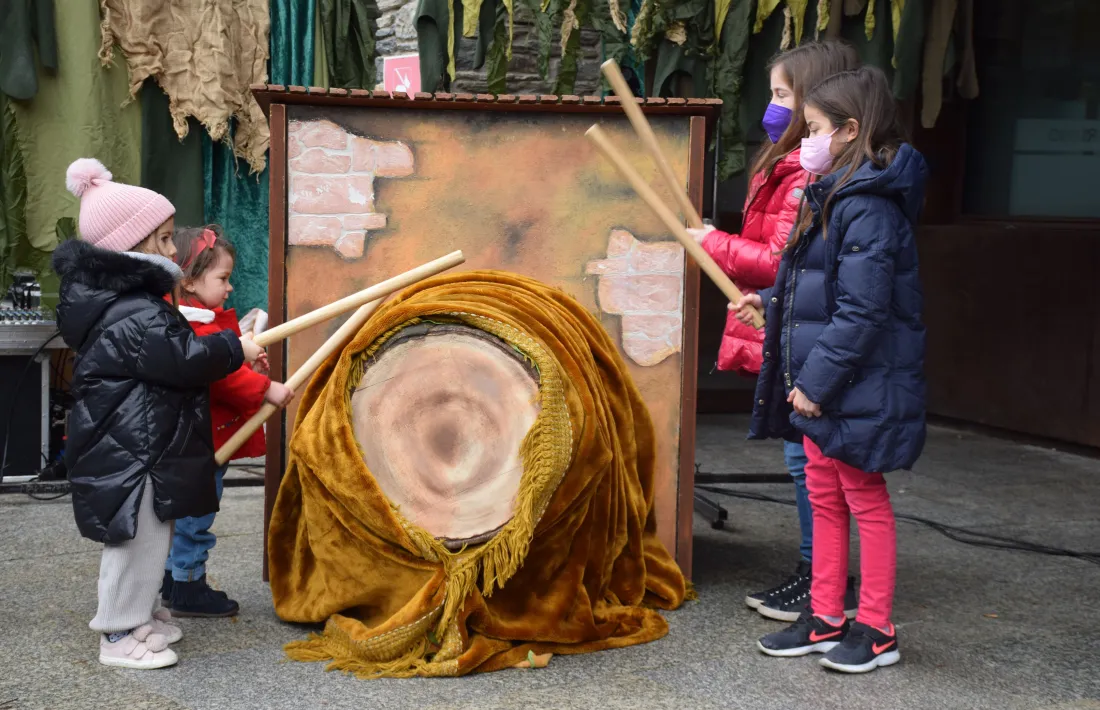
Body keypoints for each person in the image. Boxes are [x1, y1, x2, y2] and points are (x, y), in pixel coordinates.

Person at [733, 66, 928, 673]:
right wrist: (767, 302)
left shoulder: (869, 206)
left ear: (849, 130)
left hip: (849, 383)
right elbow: (815, 282)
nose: (803, 140)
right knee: (823, 492)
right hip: (823, 381)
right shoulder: (829, 195)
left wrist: (815, 386)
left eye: (813, 129)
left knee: (862, 497)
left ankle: (875, 629)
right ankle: (825, 617)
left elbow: (863, 310)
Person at [52, 159, 266, 669]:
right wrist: (235, 347)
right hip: (133, 451)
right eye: (166, 240)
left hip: (141, 444)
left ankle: (140, 615)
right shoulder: (134, 311)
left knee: (152, 535)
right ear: (135, 245)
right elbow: (186, 360)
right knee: (135, 540)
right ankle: (117, 634)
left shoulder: (132, 304)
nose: (175, 251)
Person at [687, 39, 861, 622]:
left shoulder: (810, 176)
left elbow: (781, 258)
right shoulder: (788, 164)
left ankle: (822, 578)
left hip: (806, 339)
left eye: (783, 95)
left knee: (808, 459)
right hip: (791, 330)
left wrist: (711, 242)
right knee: (802, 460)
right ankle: (819, 572)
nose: (773, 107)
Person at [157, 226, 294, 616]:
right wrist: (265, 387)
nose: (230, 287)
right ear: (189, 281)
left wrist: (245, 356)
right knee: (196, 515)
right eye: (222, 278)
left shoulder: (201, 319)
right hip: (203, 443)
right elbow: (218, 376)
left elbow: (225, 359)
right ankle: (187, 585)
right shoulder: (193, 325)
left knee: (188, 513)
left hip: (201, 441)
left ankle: (174, 577)